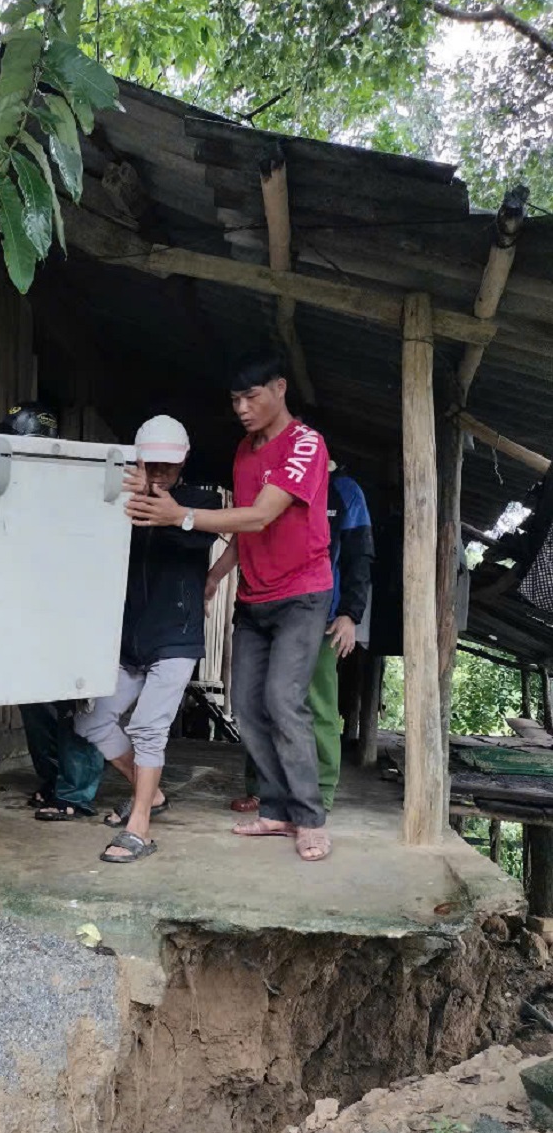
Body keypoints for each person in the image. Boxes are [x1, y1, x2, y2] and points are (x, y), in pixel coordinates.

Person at [125, 353, 334, 862]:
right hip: (254, 596)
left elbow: (262, 515)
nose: (242, 408)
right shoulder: (244, 451)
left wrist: (182, 517)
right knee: (246, 703)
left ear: (279, 388)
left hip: (302, 593)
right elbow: (244, 526)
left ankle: (309, 818)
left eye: (251, 396)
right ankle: (277, 808)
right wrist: (217, 576)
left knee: (284, 702)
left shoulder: (306, 445)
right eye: (235, 400)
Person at [76, 416, 219, 863]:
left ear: (183, 464)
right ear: (136, 460)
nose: (159, 474)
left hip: (176, 639)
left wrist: (156, 497)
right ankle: (150, 794)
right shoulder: (117, 501)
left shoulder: (200, 502)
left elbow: (193, 539)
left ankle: (138, 827)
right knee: (90, 721)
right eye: (150, 465)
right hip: (128, 640)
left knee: (149, 729)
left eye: (167, 467)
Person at [231, 463, 374, 814]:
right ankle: (261, 790)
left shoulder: (344, 490)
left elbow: (359, 555)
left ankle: (320, 793)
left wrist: (350, 614)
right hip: (265, 612)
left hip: (320, 618)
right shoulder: (271, 484)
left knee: (317, 706)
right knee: (259, 703)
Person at [0, 401, 106, 821]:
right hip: (31, 614)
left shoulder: (75, 485)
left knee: (72, 706)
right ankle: (53, 782)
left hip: (69, 614)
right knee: (36, 703)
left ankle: (75, 792)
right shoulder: (13, 487)